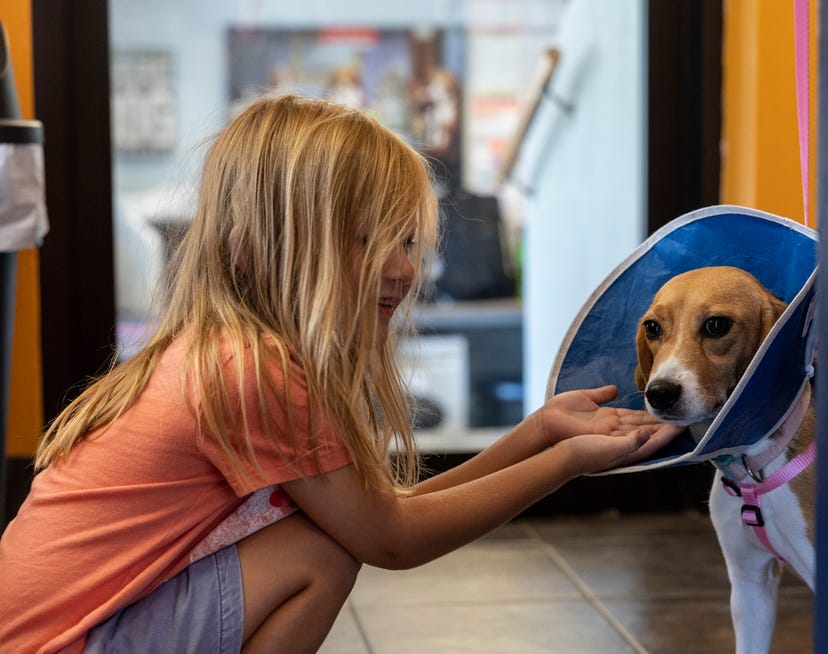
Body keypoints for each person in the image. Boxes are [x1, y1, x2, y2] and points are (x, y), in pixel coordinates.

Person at [0, 95, 681, 653]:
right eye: (368, 237)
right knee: (316, 556)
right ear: (262, 245)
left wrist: (539, 435)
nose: (404, 267)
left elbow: (384, 511)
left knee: (326, 538)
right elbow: (390, 539)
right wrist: (562, 465)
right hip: (63, 643)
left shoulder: (226, 350)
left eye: (407, 241)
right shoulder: (250, 370)